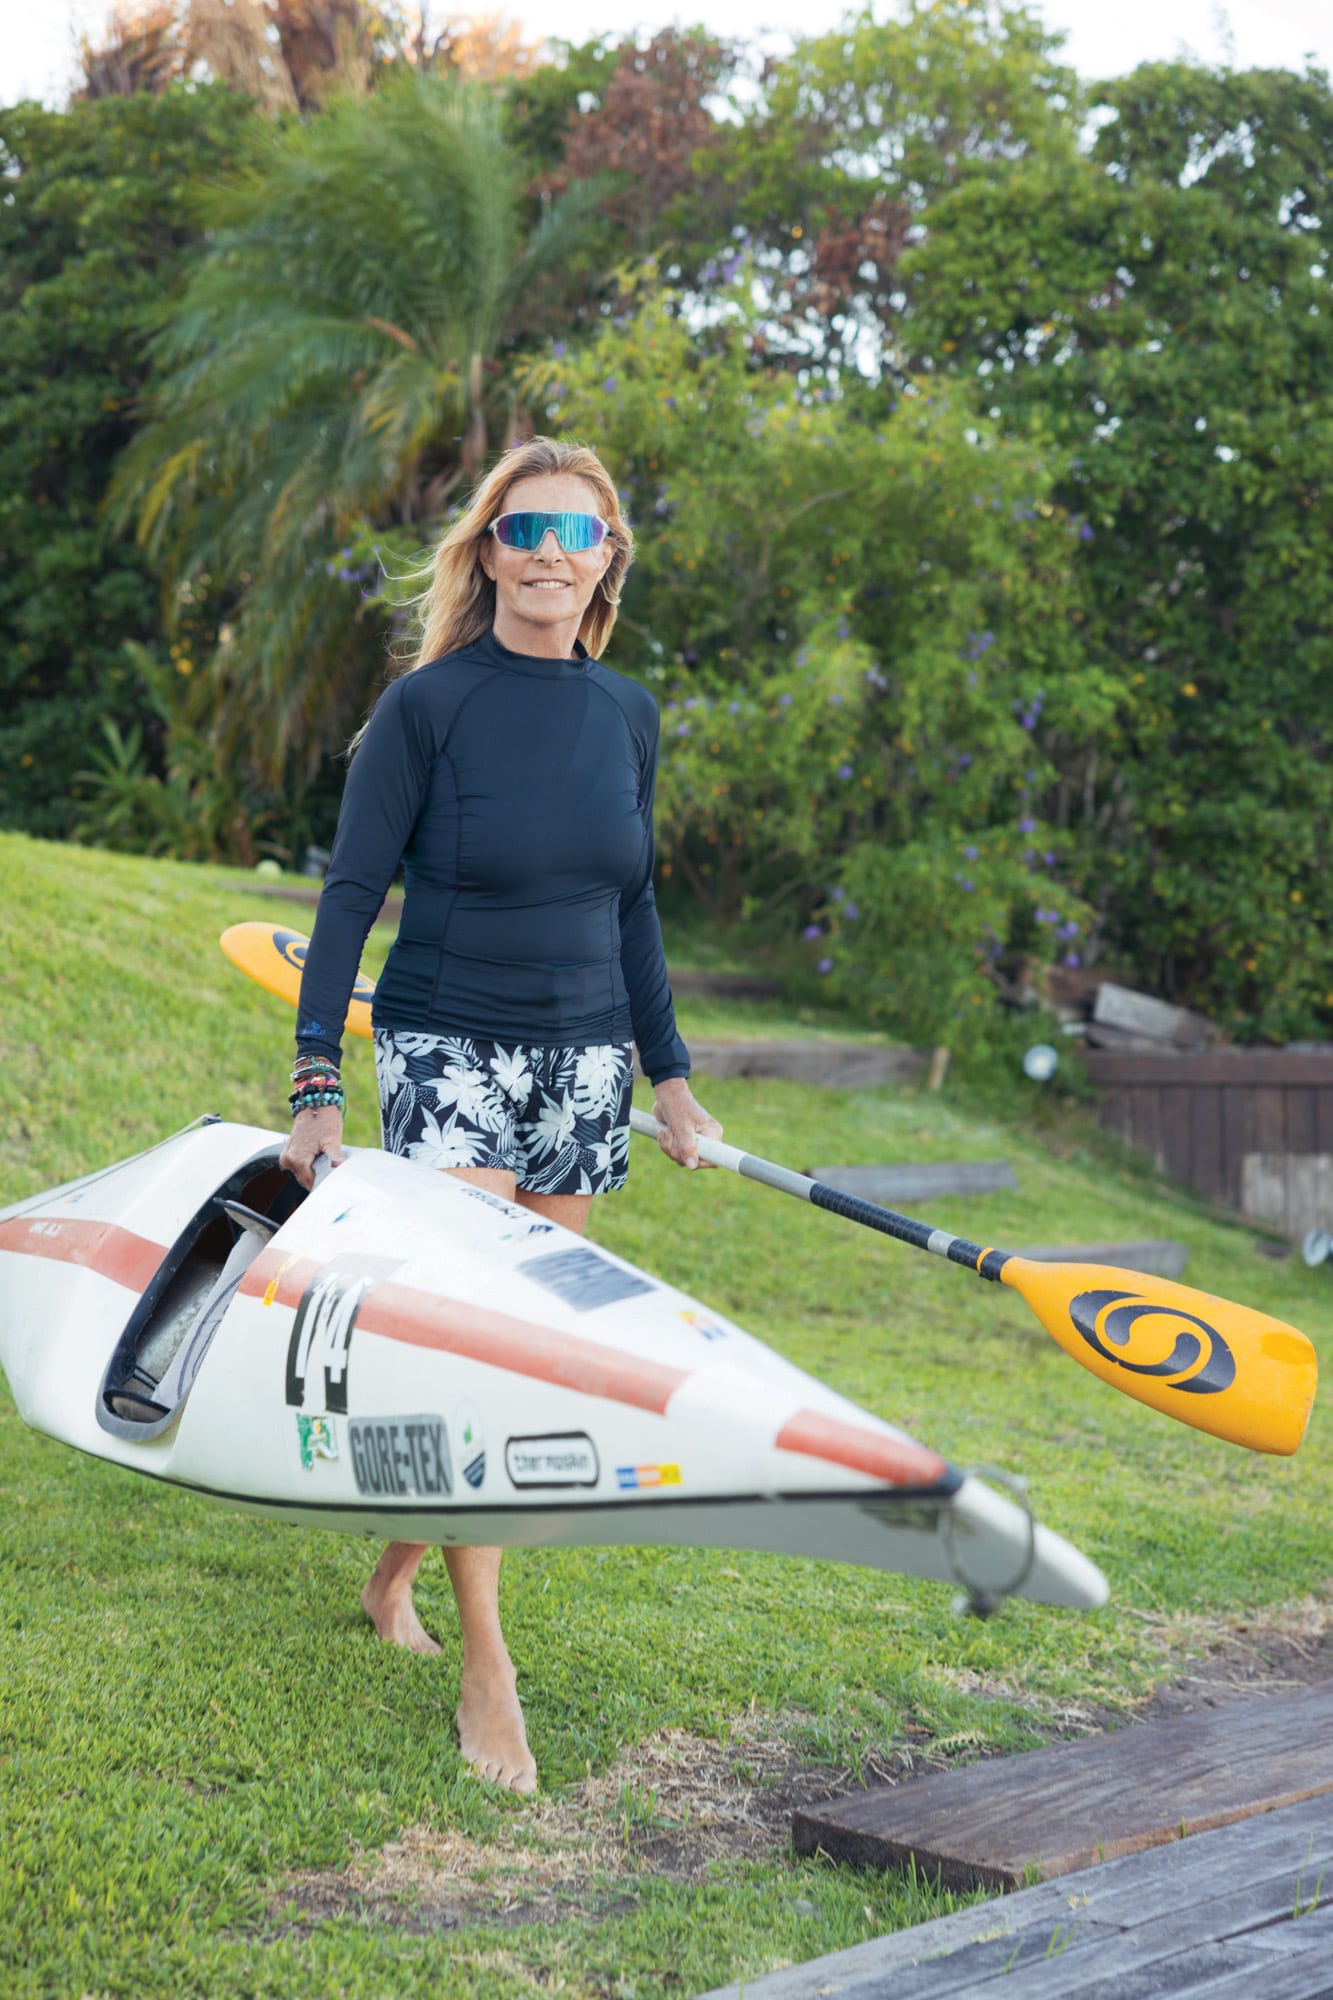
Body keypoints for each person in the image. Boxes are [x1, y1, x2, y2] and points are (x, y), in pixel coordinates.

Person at [279, 437, 720, 1795]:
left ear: (604, 561)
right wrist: (313, 1082)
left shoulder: (629, 713)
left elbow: (632, 903)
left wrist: (671, 1076)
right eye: (521, 528)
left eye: (570, 533)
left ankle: (393, 1575)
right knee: (475, 1349)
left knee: (519, 1355)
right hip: (450, 1047)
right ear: (486, 550)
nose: (544, 550)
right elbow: (351, 895)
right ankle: (487, 1660)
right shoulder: (429, 707)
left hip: (584, 1069)